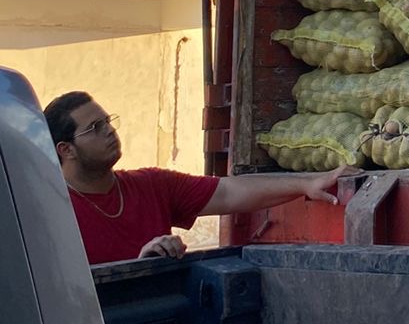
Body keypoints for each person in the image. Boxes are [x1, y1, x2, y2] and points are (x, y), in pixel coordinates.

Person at [45, 90, 354, 265]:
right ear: (66, 149)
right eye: (95, 128)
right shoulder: (48, 214)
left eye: (108, 121)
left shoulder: (151, 184)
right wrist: (138, 266)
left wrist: (306, 184)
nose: (110, 131)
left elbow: (229, 192)